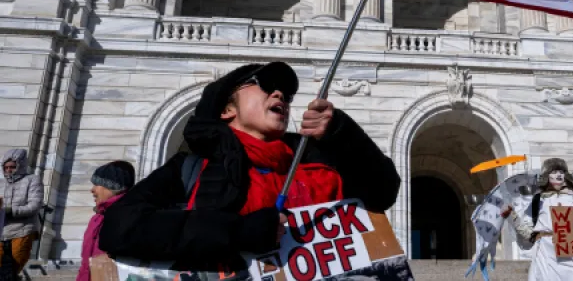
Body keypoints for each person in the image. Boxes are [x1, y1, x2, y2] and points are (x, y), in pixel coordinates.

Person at [99, 61, 401, 274]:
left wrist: (342, 134)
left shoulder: (313, 163)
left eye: (286, 93)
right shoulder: (192, 168)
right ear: (227, 109)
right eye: (265, 86)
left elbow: (384, 191)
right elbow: (119, 227)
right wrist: (238, 232)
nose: (280, 94)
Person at [500, 158, 573, 281]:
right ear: (546, 176)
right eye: (553, 172)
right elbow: (528, 234)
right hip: (547, 256)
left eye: (561, 172)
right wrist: (512, 216)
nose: (558, 175)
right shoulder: (538, 200)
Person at [77, 161, 135, 281]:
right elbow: (85, 264)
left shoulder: (130, 215)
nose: (92, 190)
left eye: (97, 184)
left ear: (113, 187)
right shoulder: (96, 219)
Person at [0, 149, 43, 280]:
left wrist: (10, 210)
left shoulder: (32, 180)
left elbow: (34, 205)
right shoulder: (1, 183)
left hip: (23, 230)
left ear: (20, 165)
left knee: (14, 266)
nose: (8, 170)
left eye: (12, 167)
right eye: (5, 167)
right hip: (2, 230)